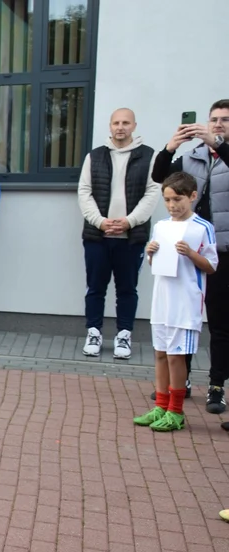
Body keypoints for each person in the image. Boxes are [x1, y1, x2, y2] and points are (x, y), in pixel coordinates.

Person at [151, 100, 229, 417]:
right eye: (214, 120)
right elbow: (160, 176)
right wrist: (171, 147)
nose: (218, 124)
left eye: (225, 120)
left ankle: (216, 386)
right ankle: (178, 387)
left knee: (221, 324)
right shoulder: (192, 157)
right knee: (183, 320)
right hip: (185, 252)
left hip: (222, 248)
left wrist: (219, 145)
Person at [133, 172, 217, 432]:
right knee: (159, 354)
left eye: (177, 199)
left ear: (192, 196)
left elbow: (211, 266)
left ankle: (176, 412)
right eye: (167, 199)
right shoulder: (161, 226)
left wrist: (191, 254)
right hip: (162, 300)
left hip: (185, 302)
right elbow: (155, 263)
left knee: (175, 357)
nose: (172, 205)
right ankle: (160, 405)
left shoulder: (202, 227)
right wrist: (149, 253)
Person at [77, 108, 161, 360]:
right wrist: (101, 222)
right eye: (116, 123)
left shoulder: (149, 156)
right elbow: (84, 192)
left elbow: (152, 192)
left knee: (127, 289)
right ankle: (94, 333)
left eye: (125, 122)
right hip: (97, 236)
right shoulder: (95, 156)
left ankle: (124, 335)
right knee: (95, 288)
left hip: (131, 238)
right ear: (110, 126)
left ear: (134, 125)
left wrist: (129, 221)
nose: (120, 127)